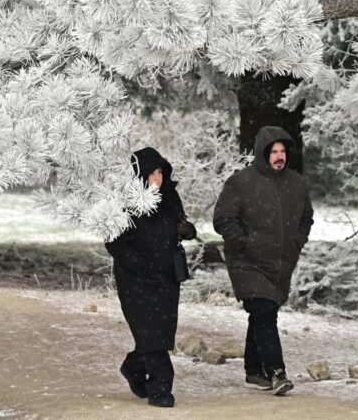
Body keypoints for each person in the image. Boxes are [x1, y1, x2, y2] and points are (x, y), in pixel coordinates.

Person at [213, 126, 313, 396]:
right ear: (262, 153)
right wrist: (243, 244)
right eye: (274, 152)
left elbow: (306, 219)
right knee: (264, 312)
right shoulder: (241, 182)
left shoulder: (297, 183)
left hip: (281, 263)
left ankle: (254, 371)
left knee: (262, 314)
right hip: (248, 262)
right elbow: (223, 219)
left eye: (283, 151)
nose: (279, 156)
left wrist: (296, 242)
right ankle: (276, 372)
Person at [105, 147, 196, 408]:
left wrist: (187, 230)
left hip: (167, 276)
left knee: (160, 332)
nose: (157, 178)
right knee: (149, 331)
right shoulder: (123, 201)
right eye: (151, 173)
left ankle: (134, 366)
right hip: (135, 278)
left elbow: (180, 226)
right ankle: (160, 388)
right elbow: (113, 241)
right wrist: (139, 263)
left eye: (160, 172)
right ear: (139, 174)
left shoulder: (170, 197)